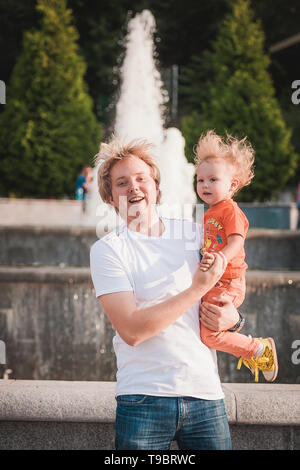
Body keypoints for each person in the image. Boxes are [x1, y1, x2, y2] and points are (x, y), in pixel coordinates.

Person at [90, 137, 243, 451]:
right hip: (143, 398)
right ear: (109, 197)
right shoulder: (107, 250)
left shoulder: (194, 234)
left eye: (141, 178)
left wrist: (233, 318)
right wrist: (197, 287)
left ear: (155, 187)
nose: (133, 187)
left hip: (205, 395)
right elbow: (132, 330)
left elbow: (229, 279)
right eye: (122, 183)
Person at [195, 130, 278, 383]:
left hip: (229, 281)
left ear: (232, 185)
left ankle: (258, 349)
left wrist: (219, 258)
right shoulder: (210, 212)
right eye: (200, 180)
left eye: (212, 180)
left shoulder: (230, 210)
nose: (205, 185)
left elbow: (235, 241)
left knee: (209, 335)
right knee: (203, 328)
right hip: (218, 278)